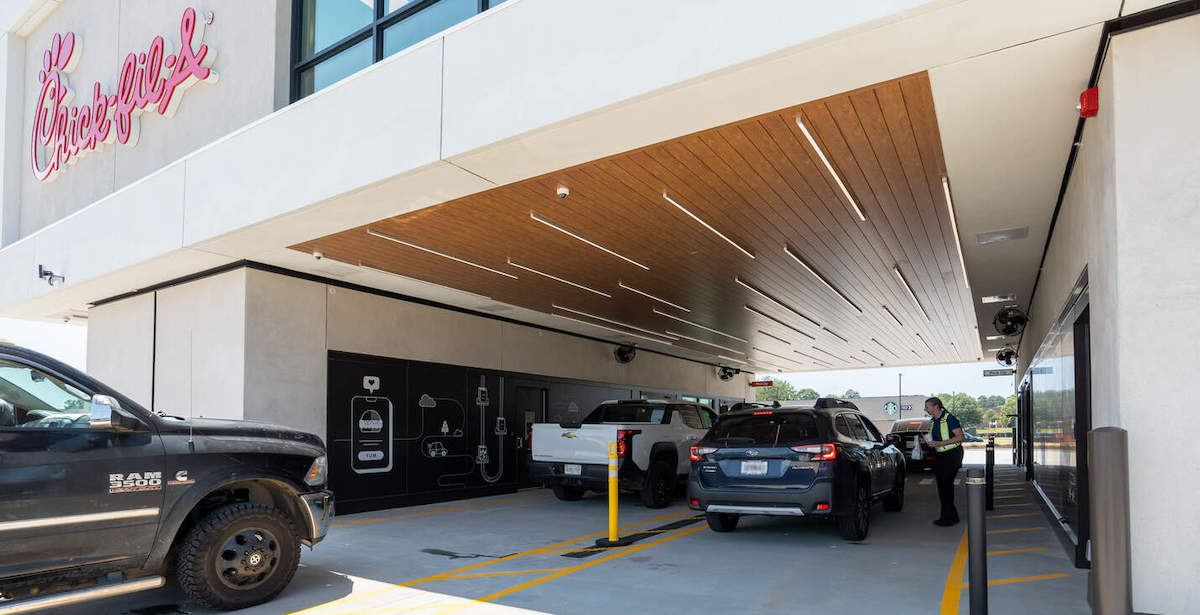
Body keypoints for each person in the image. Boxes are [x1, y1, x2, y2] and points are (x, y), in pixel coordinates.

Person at [920, 397, 965, 526]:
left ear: (936, 407)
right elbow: (935, 438)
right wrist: (926, 442)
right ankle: (952, 516)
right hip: (940, 455)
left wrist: (939, 443)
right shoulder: (933, 421)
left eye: (927, 407)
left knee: (945, 485)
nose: (925, 409)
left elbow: (961, 437)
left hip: (952, 455)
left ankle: (947, 518)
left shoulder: (949, 419)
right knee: (943, 486)